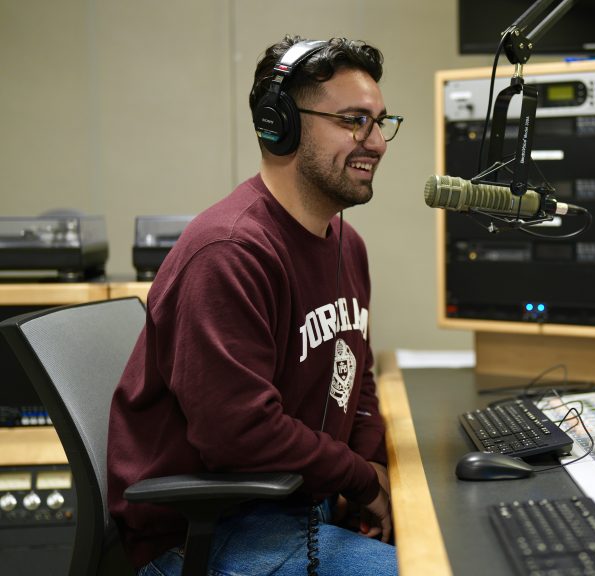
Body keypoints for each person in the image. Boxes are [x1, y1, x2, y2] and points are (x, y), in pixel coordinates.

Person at [107, 34, 403, 576]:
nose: (378, 142)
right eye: (354, 120)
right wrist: (361, 480)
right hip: (206, 534)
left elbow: (353, 374)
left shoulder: (347, 245)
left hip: (297, 506)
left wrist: (368, 475)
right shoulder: (229, 253)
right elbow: (237, 434)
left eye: (382, 121)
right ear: (280, 123)